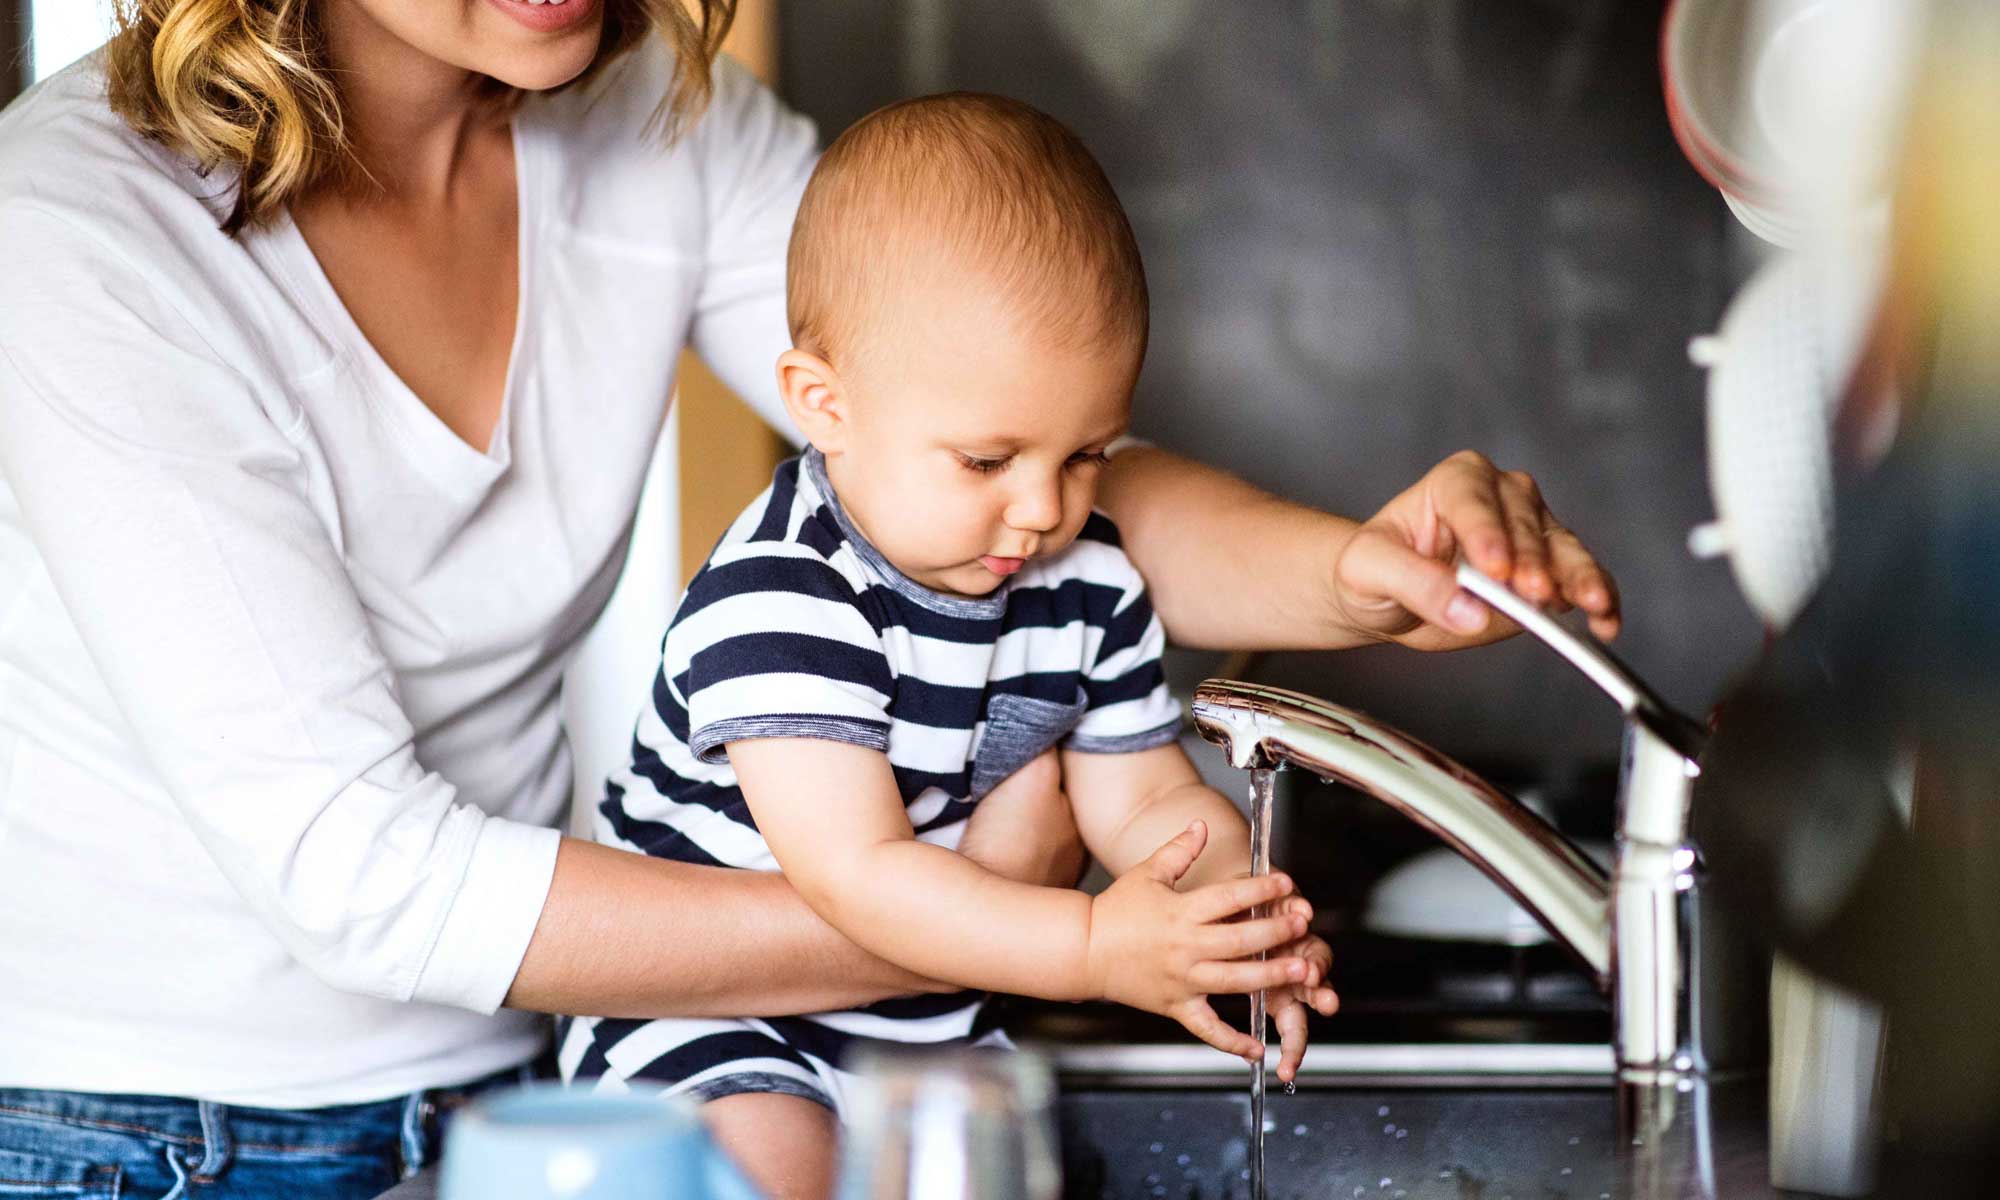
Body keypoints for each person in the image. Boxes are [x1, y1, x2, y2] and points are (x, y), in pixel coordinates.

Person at [0, 1, 1619, 1195]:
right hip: (154, 1132)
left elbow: (1010, 469)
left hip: (537, 1095)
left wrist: (1362, 572)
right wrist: (1026, 929)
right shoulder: (79, 236)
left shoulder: (642, 119)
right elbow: (363, 877)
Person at [558, 92, 1339, 1198]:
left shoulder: (1086, 579)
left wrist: (1219, 919)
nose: (1038, 511)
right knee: (779, 1162)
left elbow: (1141, 799)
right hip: (714, 1023)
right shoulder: (784, 597)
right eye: (986, 461)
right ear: (822, 405)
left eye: (1083, 457)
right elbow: (859, 877)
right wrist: (1089, 951)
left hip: (931, 1021)